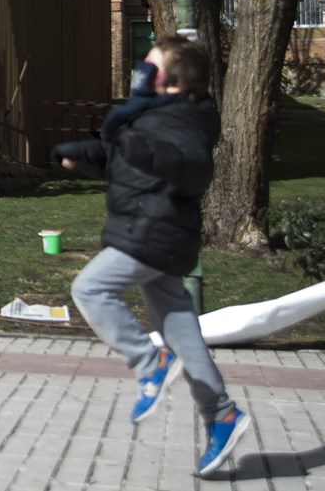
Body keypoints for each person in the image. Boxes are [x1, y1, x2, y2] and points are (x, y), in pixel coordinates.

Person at [52, 35, 251, 478]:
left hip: (152, 232)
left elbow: (193, 166)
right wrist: (83, 156)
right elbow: (127, 161)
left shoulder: (185, 119)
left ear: (174, 82)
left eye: (152, 66)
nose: (142, 71)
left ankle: (149, 362)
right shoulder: (153, 115)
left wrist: (140, 149)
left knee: (90, 287)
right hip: (154, 231)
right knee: (182, 331)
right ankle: (222, 414)